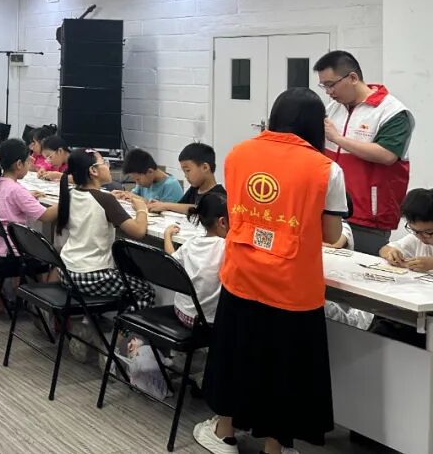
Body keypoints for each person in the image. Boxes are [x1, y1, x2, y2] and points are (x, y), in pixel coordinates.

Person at [195, 88, 347, 454]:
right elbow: (331, 235)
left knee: (236, 356)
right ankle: (274, 448)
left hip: (242, 274)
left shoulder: (238, 153)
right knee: (283, 370)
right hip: (292, 286)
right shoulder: (326, 169)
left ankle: (224, 434)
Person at [315, 50, 415, 255]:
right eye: (324, 86)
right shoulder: (333, 108)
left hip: (369, 216)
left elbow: (387, 155)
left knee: (362, 269)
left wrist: (338, 139)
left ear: (352, 78)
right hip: (332, 208)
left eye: (331, 84)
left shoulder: (392, 112)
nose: (328, 92)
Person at [59, 148, 155, 310]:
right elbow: (138, 231)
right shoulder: (105, 199)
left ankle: (95, 319)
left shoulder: (70, 193)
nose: (108, 166)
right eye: (104, 162)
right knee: (145, 290)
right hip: (89, 276)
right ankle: (124, 326)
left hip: (66, 271)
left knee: (126, 275)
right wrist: (141, 209)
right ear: (93, 171)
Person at [0, 139, 62, 316]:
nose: (31, 162)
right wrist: (65, 201)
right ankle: (42, 309)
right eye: (27, 161)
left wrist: (27, 197)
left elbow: (11, 198)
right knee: (47, 259)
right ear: (19, 164)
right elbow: (46, 216)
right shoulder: (16, 190)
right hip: (8, 255)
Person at [163, 191, 228, 325]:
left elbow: (172, 259)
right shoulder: (225, 247)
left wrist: (167, 235)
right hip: (205, 322)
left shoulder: (191, 243)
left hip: (180, 311)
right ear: (222, 222)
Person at [149, 142, 225, 215]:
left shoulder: (219, 196)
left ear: (205, 167)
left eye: (188, 170)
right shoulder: (194, 189)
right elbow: (179, 206)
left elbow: (199, 210)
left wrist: (166, 205)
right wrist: (160, 205)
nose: (185, 176)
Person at [379, 188, 433, 271]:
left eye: (428, 232)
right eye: (414, 231)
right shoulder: (416, 239)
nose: (421, 237)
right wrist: (390, 252)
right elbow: (384, 249)